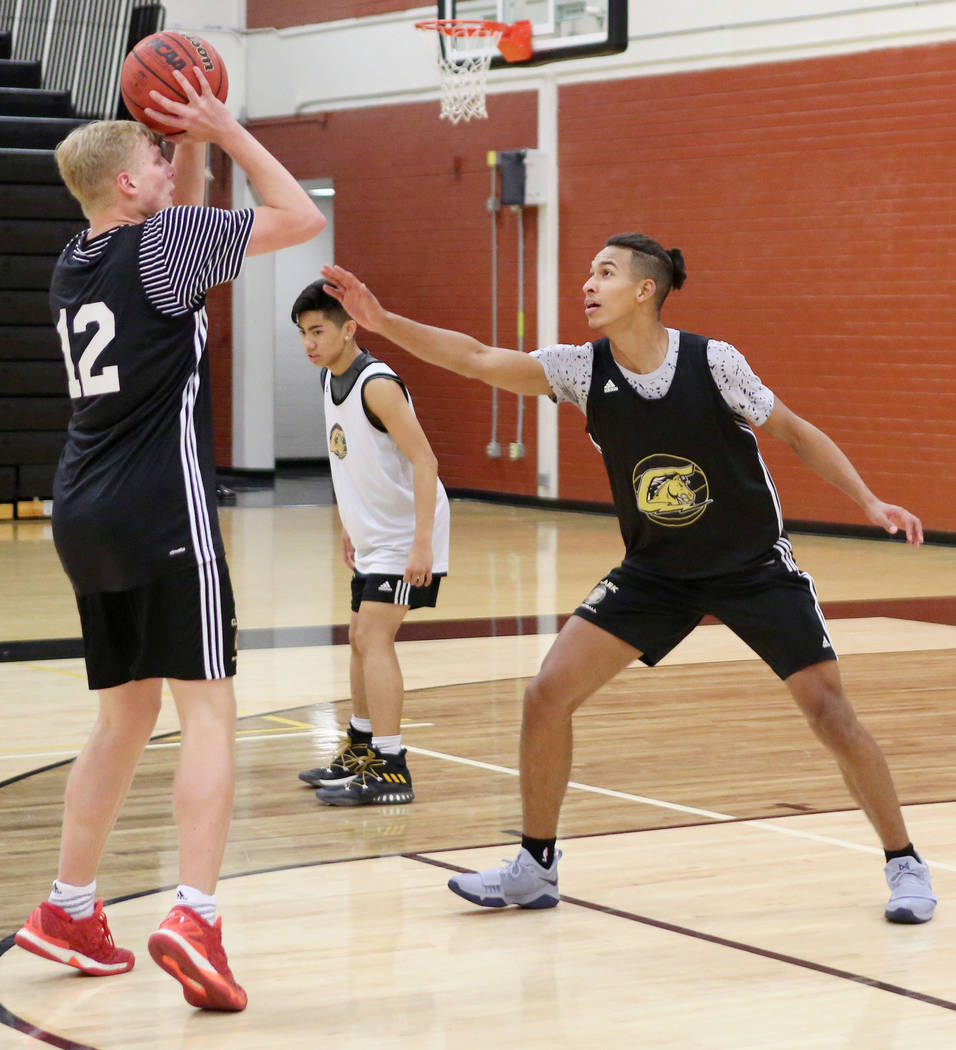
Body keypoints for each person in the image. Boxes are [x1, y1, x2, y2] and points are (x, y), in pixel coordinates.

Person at [319, 234, 937, 924]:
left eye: (604, 273)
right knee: (546, 695)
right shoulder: (581, 370)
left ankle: (905, 862)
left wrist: (869, 500)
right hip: (655, 573)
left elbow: (794, 431)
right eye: (588, 273)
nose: (588, 283)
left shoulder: (715, 363)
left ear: (645, 290)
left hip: (752, 568)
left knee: (830, 712)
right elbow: (474, 358)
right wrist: (385, 324)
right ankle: (535, 866)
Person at [13, 67, 325, 1010]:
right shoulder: (167, 245)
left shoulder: (77, 257)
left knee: (124, 713)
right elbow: (299, 214)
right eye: (155, 155)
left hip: (83, 510)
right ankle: (195, 914)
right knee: (210, 710)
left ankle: (69, 906)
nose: (167, 160)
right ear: (129, 186)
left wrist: (179, 144)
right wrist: (224, 126)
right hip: (160, 507)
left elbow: (172, 217)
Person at [292, 280, 450, 805]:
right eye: (303, 333)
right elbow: (352, 460)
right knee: (360, 635)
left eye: (318, 330)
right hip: (373, 534)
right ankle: (361, 746)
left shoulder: (376, 384)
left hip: (407, 533)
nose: (310, 342)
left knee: (375, 637)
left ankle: (391, 764)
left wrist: (422, 544)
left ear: (349, 328)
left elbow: (425, 460)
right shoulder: (328, 379)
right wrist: (349, 524)